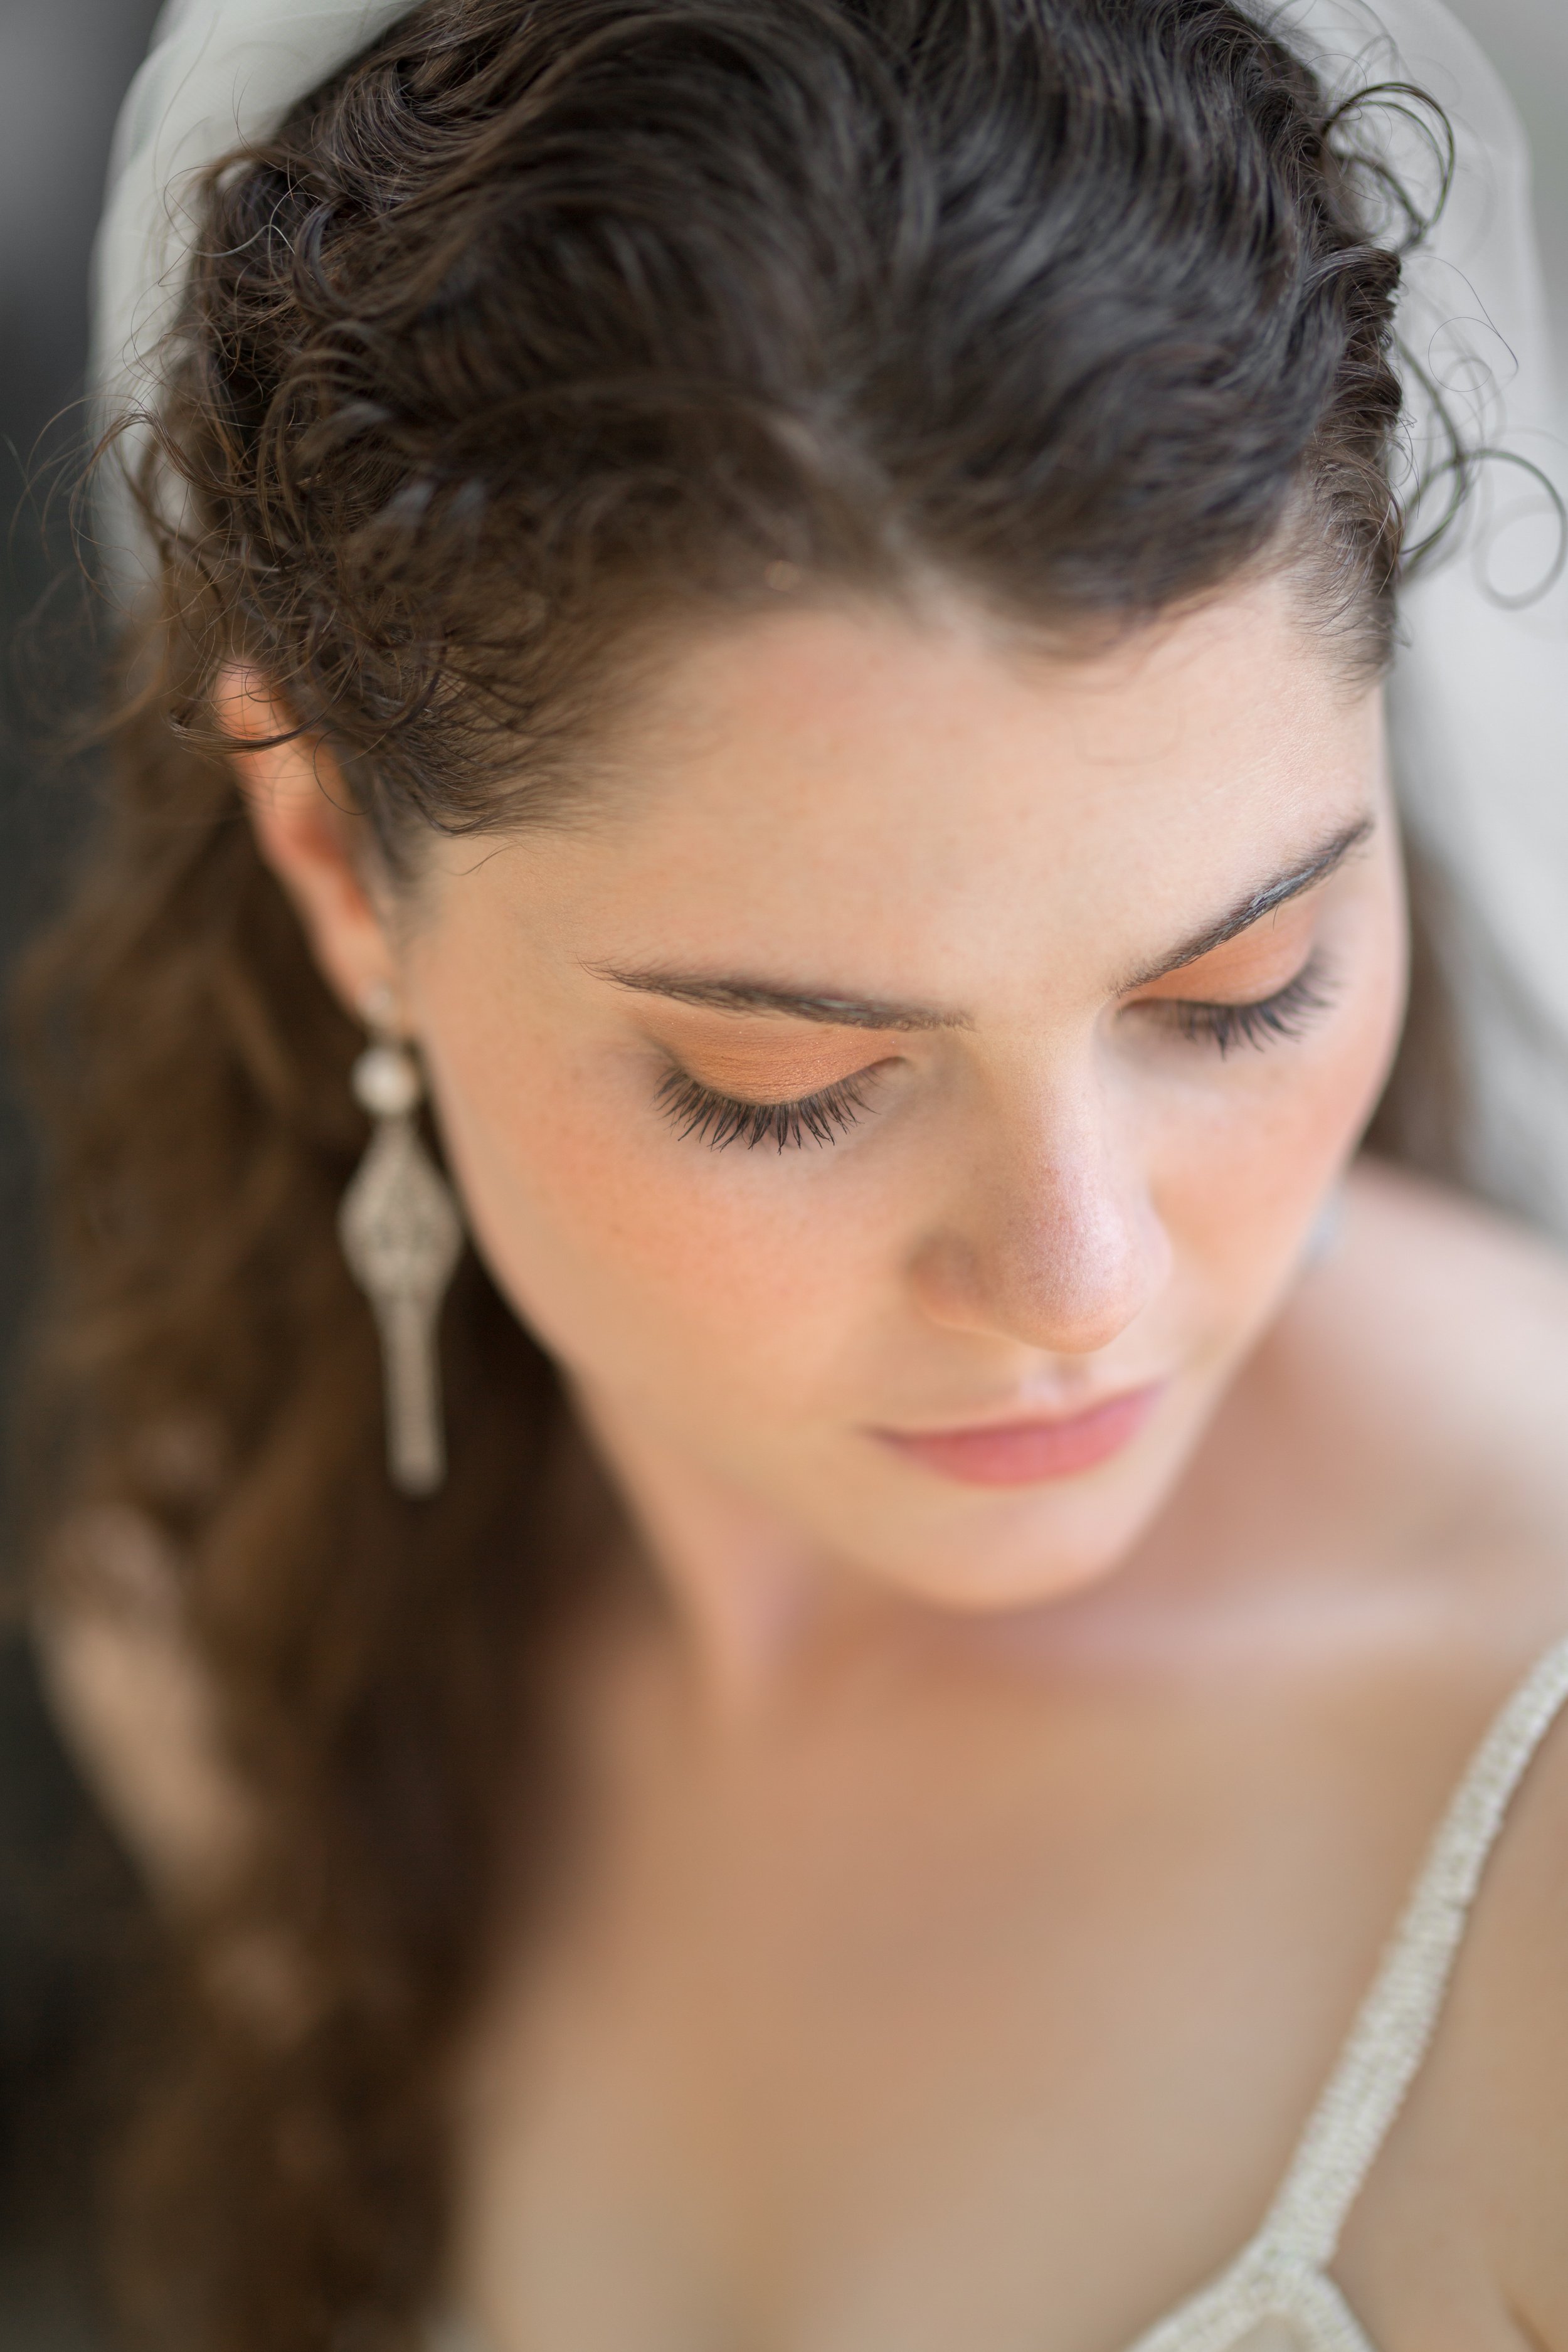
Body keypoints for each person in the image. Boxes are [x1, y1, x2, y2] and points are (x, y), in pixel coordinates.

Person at [23, 0, 1568, 2346]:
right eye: (782, 1079)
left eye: (1238, 987)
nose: (1081, 1274)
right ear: (338, 860)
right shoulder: (232, 1627)